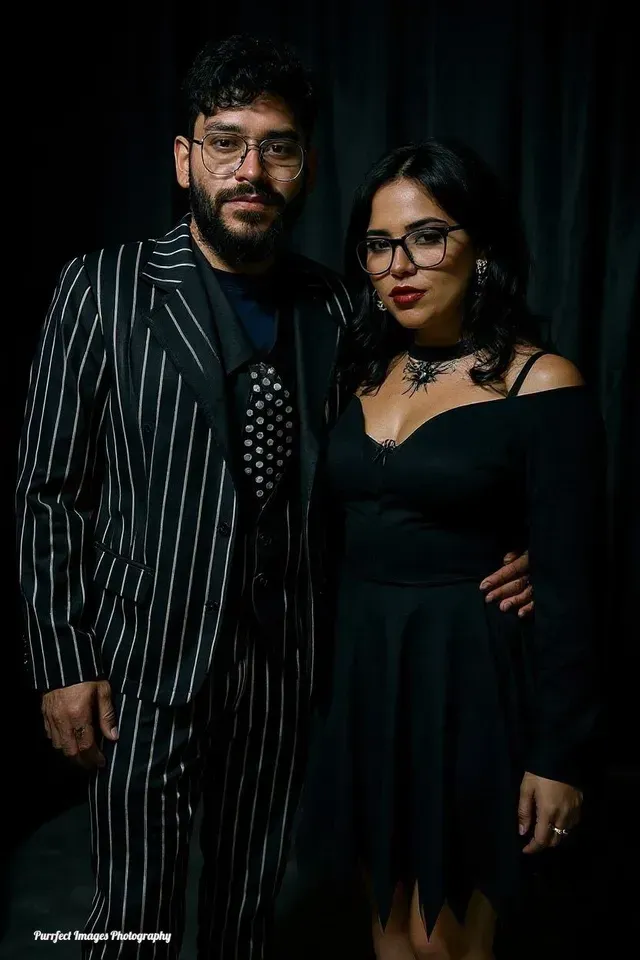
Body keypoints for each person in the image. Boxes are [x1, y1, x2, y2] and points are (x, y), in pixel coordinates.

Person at [16, 36, 533, 960]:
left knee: (245, 915)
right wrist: (63, 658)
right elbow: (49, 490)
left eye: (278, 146)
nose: (251, 169)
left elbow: (406, 452)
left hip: (282, 671)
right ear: (185, 159)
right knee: (132, 917)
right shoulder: (100, 291)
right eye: (226, 141)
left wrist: (512, 547)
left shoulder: (337, 307)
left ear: (305, 167)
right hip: (143, 666)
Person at [298, 140, 604, 960]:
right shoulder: (361, 369)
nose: (400, 263)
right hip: (368, 681)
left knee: (448, 944)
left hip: (467, 683)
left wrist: (558, 757)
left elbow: (578, 589)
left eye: (428, 236)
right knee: (387, 932)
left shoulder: (542, 383)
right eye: (378, 244)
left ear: (482, 248)